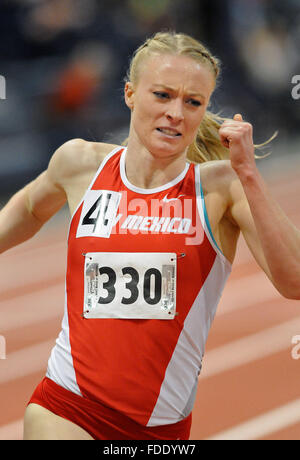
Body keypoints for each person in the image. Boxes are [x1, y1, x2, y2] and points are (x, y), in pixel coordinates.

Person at [1, 31, 300, 440]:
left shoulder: (219, 188)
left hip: (162, 429)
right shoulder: (80, 165)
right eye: (162, 95)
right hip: (67, 406)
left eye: (192, 102)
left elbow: (295, 280)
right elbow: (32, 208)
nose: (176, 112)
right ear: (130, 94)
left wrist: (248, 174)